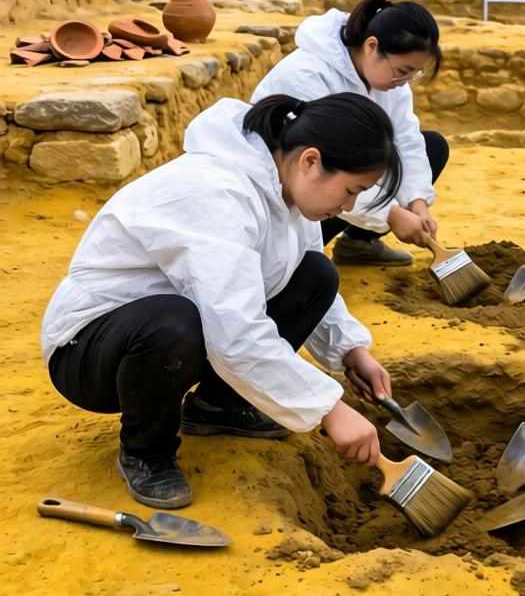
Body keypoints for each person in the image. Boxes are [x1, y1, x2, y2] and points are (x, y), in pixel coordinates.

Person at [42, 93, 400, 510]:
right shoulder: (218, 194)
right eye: (351, 190)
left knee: (315, 274)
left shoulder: (285, 191)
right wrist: (329, 409)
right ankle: (146, 452)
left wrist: (350, 351)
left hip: (176, 332)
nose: (349, 206)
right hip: (90, 353)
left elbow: (291, 273)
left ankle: (219, 407)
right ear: (310, 161)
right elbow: (235, 332)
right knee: (176, 323)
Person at [251, 0, 447, 267]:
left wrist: (416, 202)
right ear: (372, 46)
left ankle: (358, 244)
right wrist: (390, 214)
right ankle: (297, 260)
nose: (404, 82)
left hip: (337, 183)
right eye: (402, 71)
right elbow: (324, 166)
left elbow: (406, 139)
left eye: (413, 74)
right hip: (295, 191)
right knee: (312, 266)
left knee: (431, 146)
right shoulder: (307, 76)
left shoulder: (390, 81)